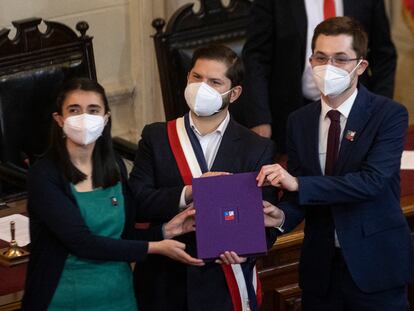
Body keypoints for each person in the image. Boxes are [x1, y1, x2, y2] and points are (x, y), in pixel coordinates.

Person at [256, 17, 414, 310]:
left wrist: (298, 184)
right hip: (321, 272)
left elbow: (372, 182)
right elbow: (300, 194)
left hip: (376, 268)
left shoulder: (388, 115)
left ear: (361, 66)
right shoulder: (298, 121)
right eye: (321, 57)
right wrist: (280, 217)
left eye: (340, 59)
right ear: (311, 60)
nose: (328, 67)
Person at [21, 78, 204, 311]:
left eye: (93, 110)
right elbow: (83, 243)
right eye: (74, 110)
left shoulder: (114, 167)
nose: (84, 118)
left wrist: (166, 230)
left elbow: (123, 237)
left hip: (118, 296)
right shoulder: (44, 174)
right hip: (63, 298)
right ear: (59, 119)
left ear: (105, 118)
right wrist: (155, 247)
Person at [129, 45, 279, 311]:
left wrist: (245, 252)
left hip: (222, 287)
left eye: (214, 81)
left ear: (234, 93)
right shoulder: (156, 137)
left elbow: (264, 224)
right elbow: (138, 202)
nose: (202, 87)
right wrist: (189, 192)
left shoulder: (256, 148)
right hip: (165, 285)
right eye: (197, 77)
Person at [242, 0, 397, 153]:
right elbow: (256, 58)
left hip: (354, 111)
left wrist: (377, 113)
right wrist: (259, 118)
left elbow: (383, 56)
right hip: (289, 111)